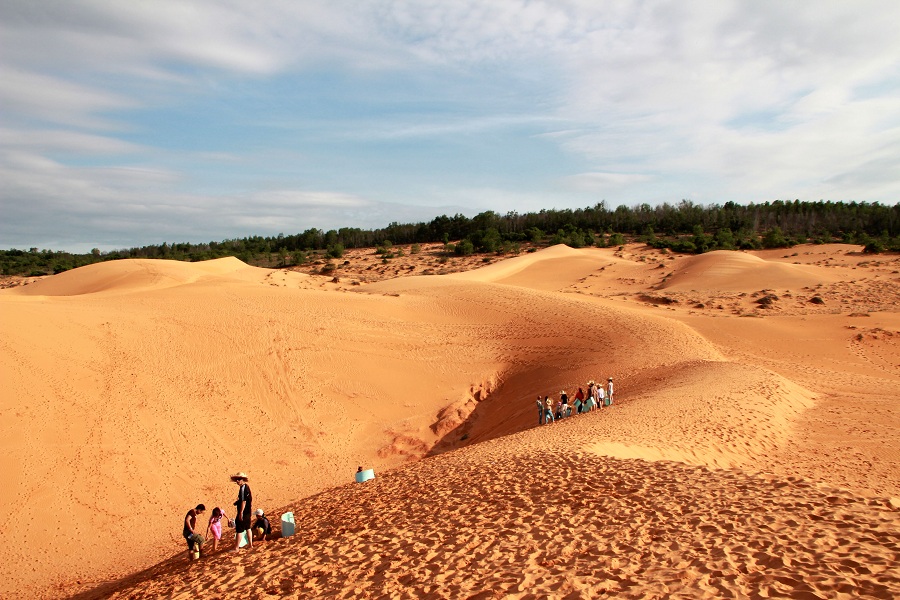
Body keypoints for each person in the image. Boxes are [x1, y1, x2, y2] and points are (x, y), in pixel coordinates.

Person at [231, 472, 253, 550]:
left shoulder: (243, 488)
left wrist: (240, 513)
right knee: (248, 528)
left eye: (239, 479)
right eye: (236, 480)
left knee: (239, 530)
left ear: (242, 480)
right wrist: (237, 502)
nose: (237, 481)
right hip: (248, 512)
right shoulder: (246, 487)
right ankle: (250, 545)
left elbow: (244, 501)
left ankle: (236, 548)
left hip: (244, 512)